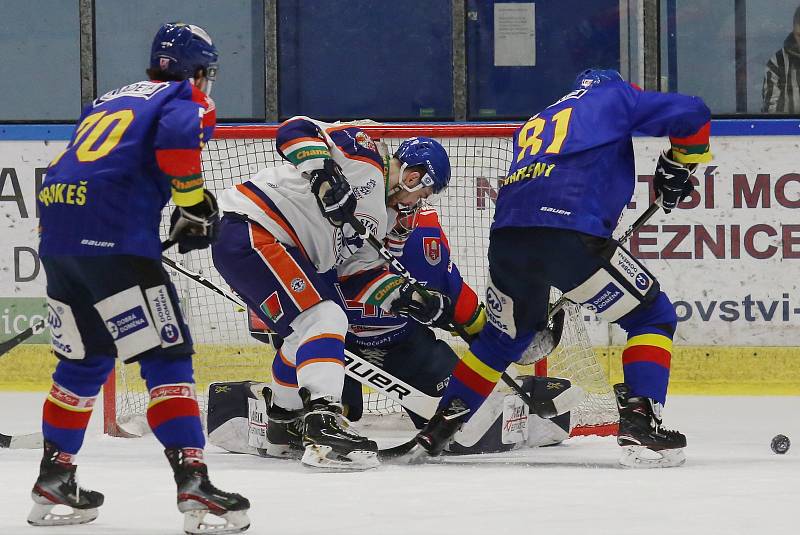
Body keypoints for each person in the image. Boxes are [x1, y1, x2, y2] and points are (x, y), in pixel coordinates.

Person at [414, 68, 712, 468]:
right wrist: (679, 163)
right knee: (651, 316)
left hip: (507, 239)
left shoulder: (539, 120)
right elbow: (694, 111)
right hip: (568, 232)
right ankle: (641, 423)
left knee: (502, 340)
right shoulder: (614, 96)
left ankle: (441, 427)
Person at [31, 23, 250, 533]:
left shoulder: (107, 101)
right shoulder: (184, 96)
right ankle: (194, 481)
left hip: (59, 238)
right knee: (166, 356)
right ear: (198, 70)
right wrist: (194, 205)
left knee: (85, 360)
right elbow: (177, 142)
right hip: (115, 243)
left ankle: (55, 475)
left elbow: (83, 164)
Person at [211, 121, 451, 470]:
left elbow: (359, 277)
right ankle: (322, 424)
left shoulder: (381, 222)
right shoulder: (366, 155)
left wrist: (407, 297)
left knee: (302, 335)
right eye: (423, 195)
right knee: (325, 318)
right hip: (254, 227)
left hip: (276, 247)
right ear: (414, 178)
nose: (418, 203)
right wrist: (323, 174)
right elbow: (296, 129)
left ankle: (283, 425)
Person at [762, 5, 800, 113]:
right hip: (787, 129)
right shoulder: (777, 63)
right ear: (793, 31)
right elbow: (771, 113)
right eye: (799, 35)